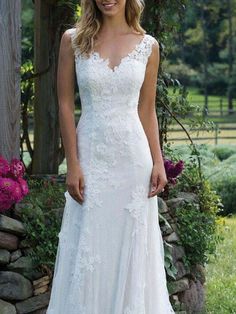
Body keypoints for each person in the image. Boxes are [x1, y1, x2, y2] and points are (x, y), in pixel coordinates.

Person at [46, 0, 175, 313]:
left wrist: (158, 161)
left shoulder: (148, 46)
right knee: (90, 245)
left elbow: (146, 109)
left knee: (130, 247)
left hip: (133, 161)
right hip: (91, 157)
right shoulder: (73, 40)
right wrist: (72, 163)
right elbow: (65, 104)